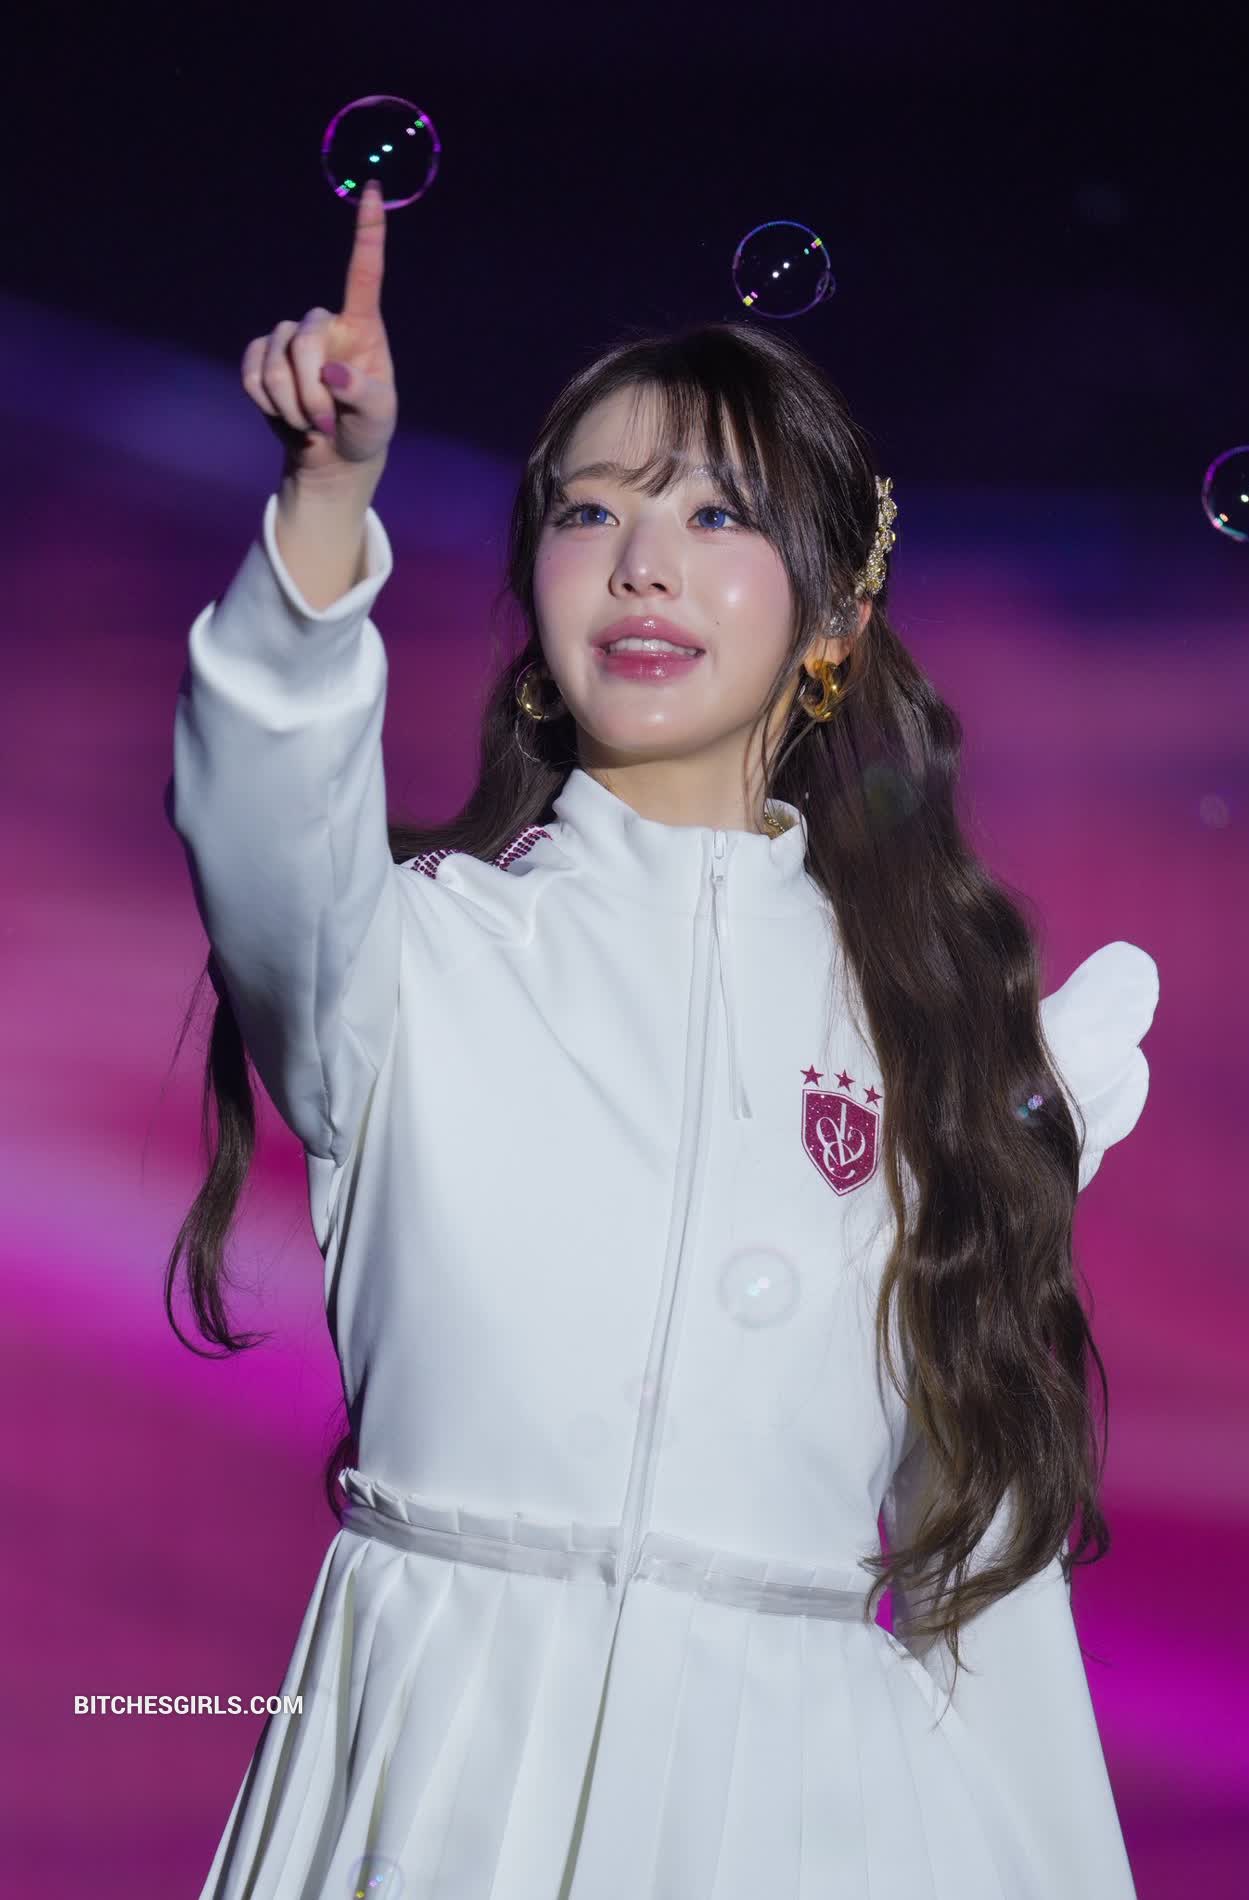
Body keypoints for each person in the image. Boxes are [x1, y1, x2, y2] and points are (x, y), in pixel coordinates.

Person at [166, 179, 1158, 1898]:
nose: (641, 559)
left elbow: (986, 1589)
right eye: (589, 507)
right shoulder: (413, 957)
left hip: (802, 1814)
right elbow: (261, 795)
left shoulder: (935, 1039)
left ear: (835, 617)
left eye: (715, 512)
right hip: (435, 1770)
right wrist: (327, 501)